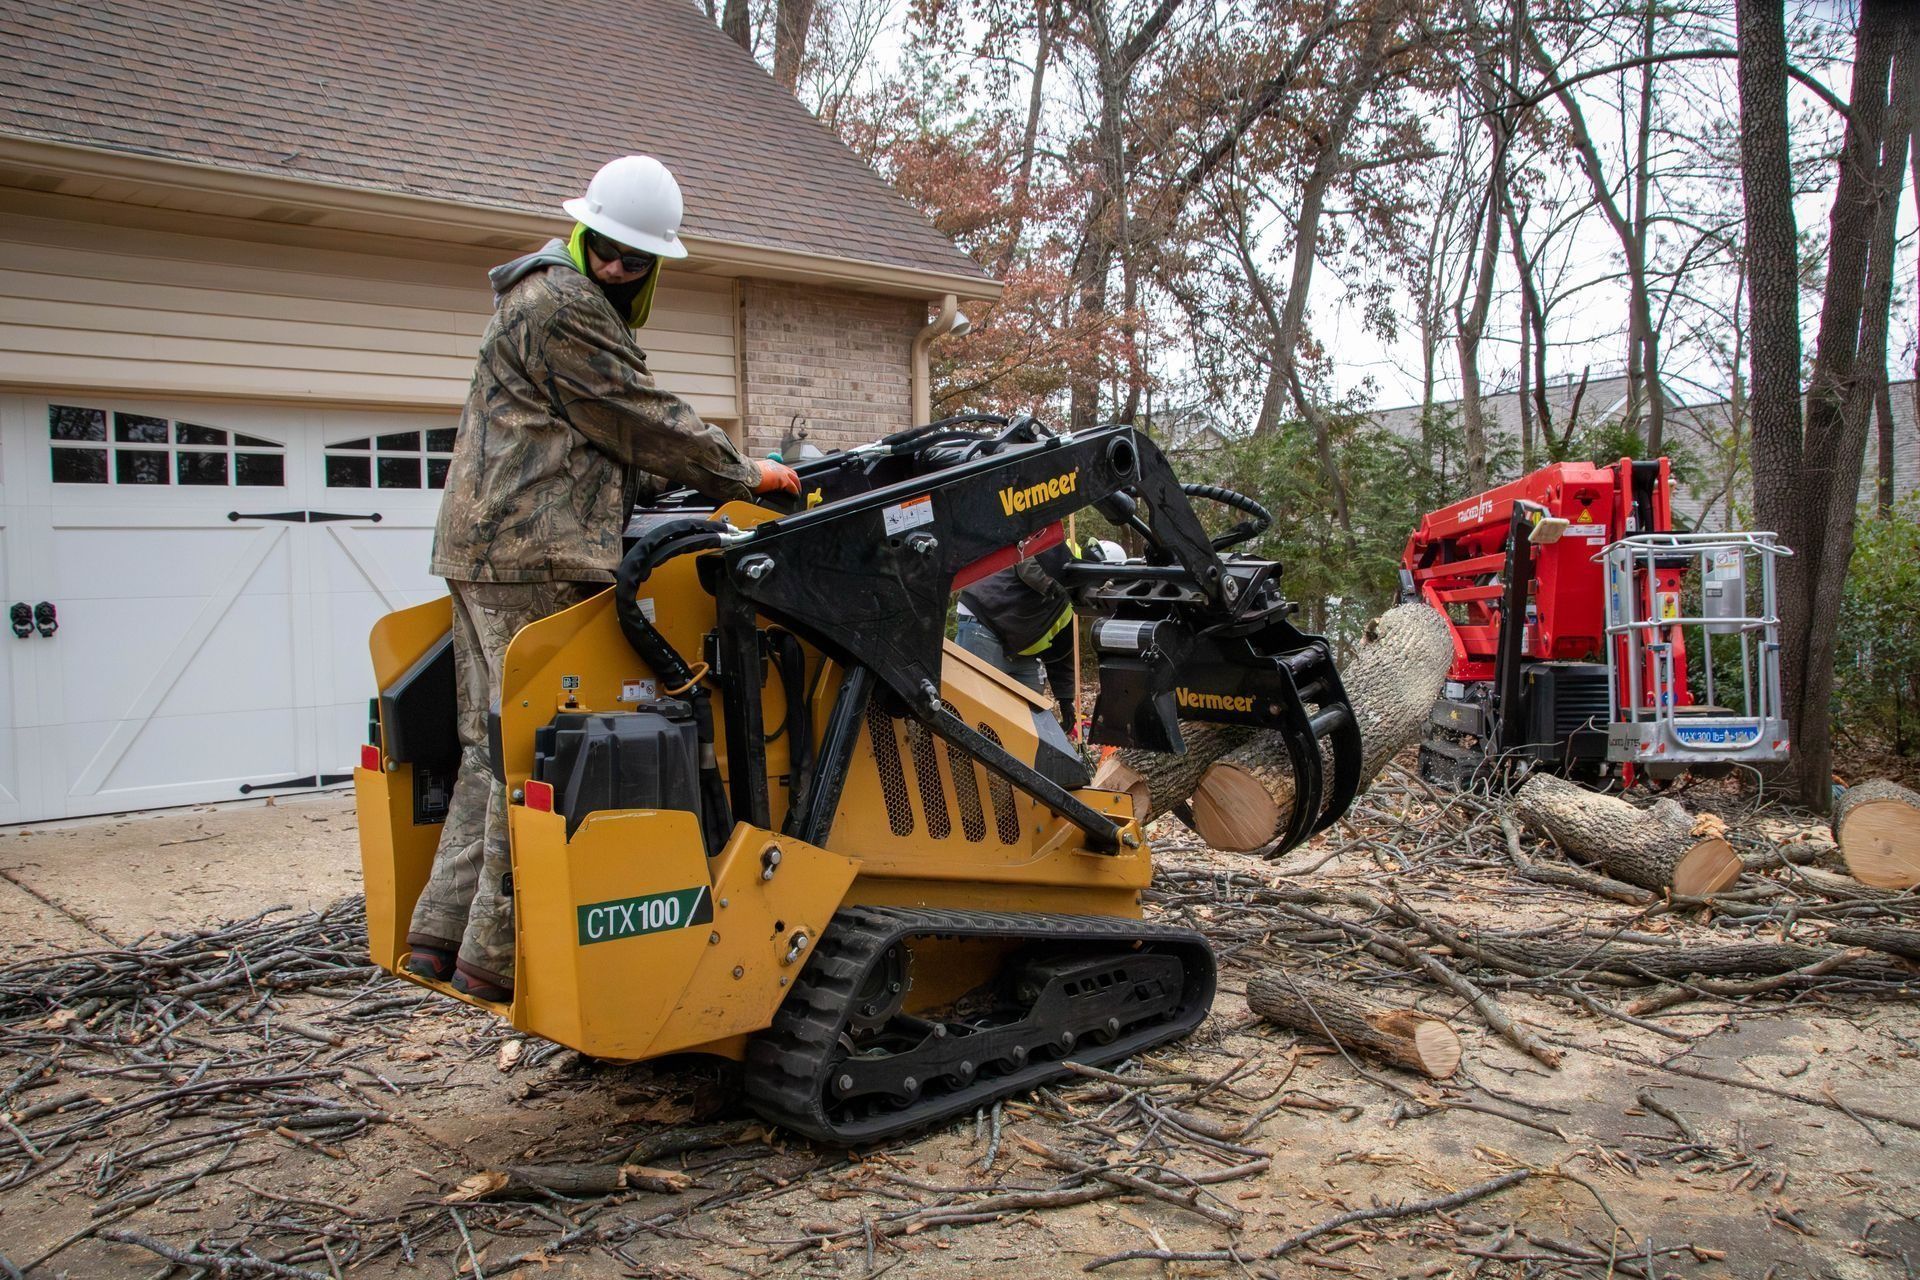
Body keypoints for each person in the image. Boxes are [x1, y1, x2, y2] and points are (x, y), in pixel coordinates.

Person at [404, 155, 800, 1002]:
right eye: (610, 251)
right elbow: (643, 418)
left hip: (489, 551)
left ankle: (440, 936)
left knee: (489, 748)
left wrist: (694, 475)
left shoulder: (540, 299)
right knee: (536, 756)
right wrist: (743, 474)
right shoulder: (563, 304)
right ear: (585, 235)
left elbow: (597, 447)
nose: (619, 268)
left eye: (635, 259)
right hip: (534, 557)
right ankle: (497, 956)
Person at [956, 537, 1120, 738]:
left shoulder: (1073, 601)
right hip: (987, 622)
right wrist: (1063, 586)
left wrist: (1066, 699)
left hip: (1021, 649)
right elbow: (1027, 563)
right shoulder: (1061, 551)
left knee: (1031, 715)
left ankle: (1014, 764)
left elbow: (1061, 653)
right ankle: (957, 760)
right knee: (974, 709)